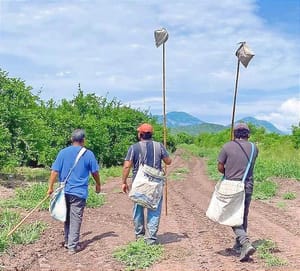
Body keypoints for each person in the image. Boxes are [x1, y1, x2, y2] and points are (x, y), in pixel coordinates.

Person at [47, 129, 101, 254]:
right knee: (75, 218)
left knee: (67, 217)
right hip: (79, 192)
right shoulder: (88, 154)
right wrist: (98, 184)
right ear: (83, 140)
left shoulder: (63, 152)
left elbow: (55, 171)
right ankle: (73, 246)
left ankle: (67, 241)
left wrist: (50, 187)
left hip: (64, 191)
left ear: (72, 140)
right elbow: (95, 172)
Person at [122, 123, 172, 245]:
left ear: (140, 134)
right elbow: (168, 162)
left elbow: (127, 165)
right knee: (154, 209)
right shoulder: (159, 146)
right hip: (155, 185)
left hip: (139, 184)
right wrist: (164, 153)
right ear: (151, 134)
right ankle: (150, 239)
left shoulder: (134, 147)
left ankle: (139, 236)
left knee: (138, 209)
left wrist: (123, 182)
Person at [217, 123, 258, 261]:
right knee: (243, 215)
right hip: (247, 185)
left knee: (231, 214)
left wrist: (228, 170)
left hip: (231, 186)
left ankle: (245, 243)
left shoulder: (227, 146)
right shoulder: (254, 148)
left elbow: (220, 167)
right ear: (248, 135)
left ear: (234, 134)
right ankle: (239, 244)